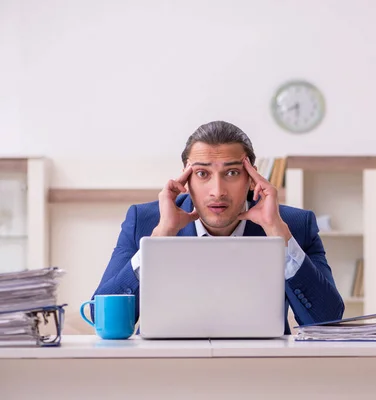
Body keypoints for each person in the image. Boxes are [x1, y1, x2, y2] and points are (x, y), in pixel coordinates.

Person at [91, 120, 345, 334]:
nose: (218, 191)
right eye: (202, 174)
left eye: (232, 173)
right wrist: (159, 238)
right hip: (166, 370)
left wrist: (278, 234)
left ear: (251, 178)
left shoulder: (294, 226)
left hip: (264, 372)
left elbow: (328, 321)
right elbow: (99, 318)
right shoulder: (145, 221)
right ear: (185, 179)